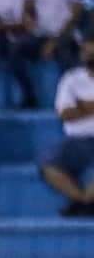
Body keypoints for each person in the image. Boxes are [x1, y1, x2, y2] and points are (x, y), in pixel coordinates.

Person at [40, 36, 94, 215]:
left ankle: (83, 204)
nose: (89, 56)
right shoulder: (71, 79)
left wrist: (82, 105)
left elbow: (74, 111)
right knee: (47, 165)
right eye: (86, 52)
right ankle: (84, 200)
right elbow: (65, 114)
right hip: (76, 140)